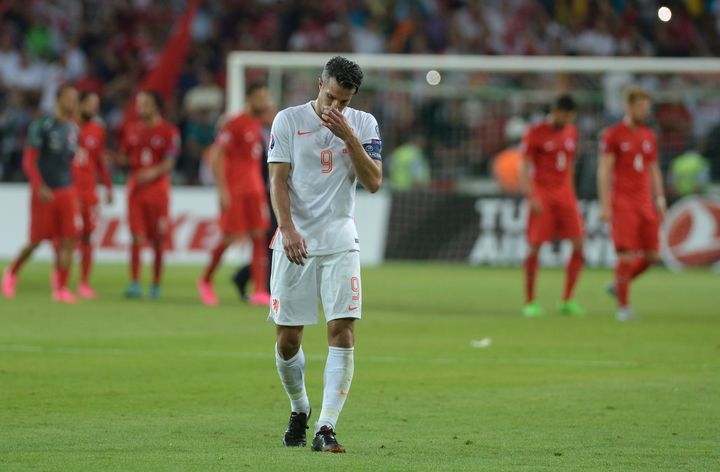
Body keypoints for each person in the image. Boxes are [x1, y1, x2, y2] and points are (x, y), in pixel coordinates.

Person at [268, 56, 382, 453]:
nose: (336, 108)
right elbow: (278, 179)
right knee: (287, 341)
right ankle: (300, 408)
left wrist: (349, 136)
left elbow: (374, 182)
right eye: (331, 97)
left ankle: (326, 427)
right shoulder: (287, 120)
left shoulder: (364, 125)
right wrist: (287, 229)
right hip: (294, 241)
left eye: (344, 102)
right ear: (319, 83)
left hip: (339, 240)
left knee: (342, 331)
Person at [2, 85, 80, 303]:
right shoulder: (42, 126)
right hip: (45, 192)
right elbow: (29, 160)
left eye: (75, 99)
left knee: (69, 240)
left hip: (66, 191)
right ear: (58, 100)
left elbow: (70, 163)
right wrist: (40, 186)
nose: (73, 103)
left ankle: (61, 288)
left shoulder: (74, 129)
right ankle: (11, 273)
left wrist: (75, 190)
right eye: (69, 98)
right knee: (36, 241)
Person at [197, 83, 272, 306]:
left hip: (255, 190)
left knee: (259, 235)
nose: (264, 103)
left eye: (266, 98)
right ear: (249, 99)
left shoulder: (258, 125)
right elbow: (217, 155)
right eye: (260, 97)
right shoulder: (234, 123)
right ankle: (206, 280)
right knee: (229, 237)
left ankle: (259, 290)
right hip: (236, 190)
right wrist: (222, 190)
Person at [598, 87, 666, 322]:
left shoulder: (649, 135)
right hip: (623, 201)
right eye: (640, 107)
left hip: (645, 202)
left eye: (647, 108)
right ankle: (623, 307)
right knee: (626, 255)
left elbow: (653, 169)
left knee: (652, 256)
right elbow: (605, 170)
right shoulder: (613, 134)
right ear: (628, 107)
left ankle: (618, 285)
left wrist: (660, 198)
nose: (644, 111)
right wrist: (605, 204)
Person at [519, 94, 585, 317]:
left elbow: (569, 166)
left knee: (579, 245)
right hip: (543, 197)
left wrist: (572, 195)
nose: (567, 119)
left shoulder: (571, 131)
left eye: (570, 116)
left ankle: (567, 300)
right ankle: (530, 301)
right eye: (564, 115)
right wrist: (531, 195)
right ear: (554, 111)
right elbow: (525, 167)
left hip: (565, 197)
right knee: (535, 247)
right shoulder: (535, 132)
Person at [119, 91, 180, 300]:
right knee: (136, 237)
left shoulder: (169, 131)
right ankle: (135, 283)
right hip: (136, 191)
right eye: (138, 103)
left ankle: (155, 285)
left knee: (158, 240)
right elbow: (126, 157)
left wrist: (152, 173)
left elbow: (170, 161)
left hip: (158, 192)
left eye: (145, 103)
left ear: (155, 106)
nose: (140, 107)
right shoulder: (132, 130)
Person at [71, 91, 113, 298]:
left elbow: (100, 162)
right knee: (66, 236)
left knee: (88, 235)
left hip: (89, 192)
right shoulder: (66, 127)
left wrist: (108, 186)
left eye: (97, 104)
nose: (95, 108)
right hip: (68, 189)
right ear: (80, 104)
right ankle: (60, 280)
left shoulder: (98, 130)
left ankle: (84, 282)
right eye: (92, 103)